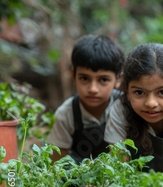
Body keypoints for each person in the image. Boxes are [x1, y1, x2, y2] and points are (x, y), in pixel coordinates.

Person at [104, 42, 163, 174]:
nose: (151, 103)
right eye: (139, 92)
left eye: (162, 92)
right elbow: (120, 167)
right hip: (135, 185)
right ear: (126, 90)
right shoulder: (120, 110)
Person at [47, 34, 124, 163]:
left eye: (103, 80)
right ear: (73, 75)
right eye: (84, 78)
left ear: (118, 79)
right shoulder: (66, 114)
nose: (93, 89)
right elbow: (57, 164)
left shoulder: (127, 107)